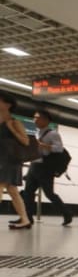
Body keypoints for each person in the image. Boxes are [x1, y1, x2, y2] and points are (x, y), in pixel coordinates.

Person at [20, 109, 73, 226]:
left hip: (45, 167)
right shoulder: (37, 133)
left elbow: (59, 148)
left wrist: (42, 145)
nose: (35, 120)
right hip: (34, 165)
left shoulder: (53, 133)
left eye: (37, 117)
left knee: (49, 193)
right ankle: (27, 218)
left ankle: (67, 214)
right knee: (28, 193)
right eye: (34, 117)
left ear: (45, 120)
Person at [0, 92, 32, 230]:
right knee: (12, 190)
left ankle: (25, 219)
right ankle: (24, 219)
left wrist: (12, 129)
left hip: (9, 160)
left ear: (8, 104)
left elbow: (25, 142)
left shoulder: (14, 122)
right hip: (2, 158)